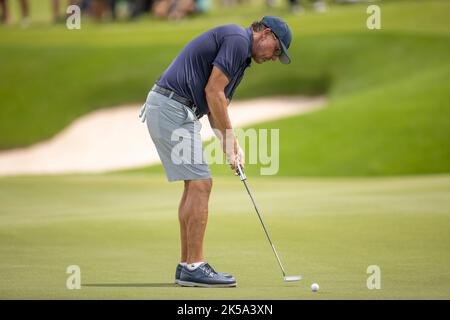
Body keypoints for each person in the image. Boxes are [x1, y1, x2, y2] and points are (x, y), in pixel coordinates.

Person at [140, 16, 292, 287]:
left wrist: (232, 148)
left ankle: (187, 265)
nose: (273, 57)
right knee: (201, 183)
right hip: (172, 106)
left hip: (172, 108)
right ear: (266, 33)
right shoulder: (236, 39)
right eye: (276, 49)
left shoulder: (241, 60)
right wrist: (229, 142)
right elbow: (213, 92)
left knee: (195, 184)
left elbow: (216, 105)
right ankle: (195, 266)